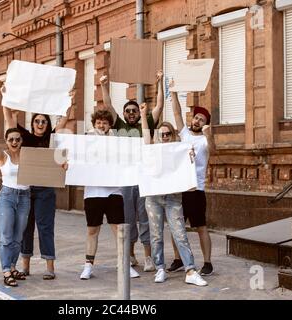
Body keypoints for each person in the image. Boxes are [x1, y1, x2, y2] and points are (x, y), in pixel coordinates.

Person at [2, 85, 72, 280]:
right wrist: (5, 96)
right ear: (32, 124)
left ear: (47, 124)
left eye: (43, 121)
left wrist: (69, 100)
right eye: (37, 121)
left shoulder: (53, 138)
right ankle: (25, 266)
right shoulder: (25, 138)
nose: (40, 123)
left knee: (45, 227)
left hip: (46, 191)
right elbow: (9, 120)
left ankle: (50, 267)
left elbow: (65, 118)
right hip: (26, 190)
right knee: (25, 228)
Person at [99, 71, 164, 272]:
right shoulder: (119, 126)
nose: (131, 113)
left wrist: (160, 81)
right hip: (125, 181)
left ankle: (148, 258)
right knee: (127, 219)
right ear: (124, 114)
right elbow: (108, 105)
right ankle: (131, 256)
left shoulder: (148, 123)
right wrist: (103, 85)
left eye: (134, 110)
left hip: (143, 180)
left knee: (145, 218)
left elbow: (160, 105)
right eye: (128, 111)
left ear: (139, 111)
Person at [140, 102, 207, 286]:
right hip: (153, 197)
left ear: (172, 135)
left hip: (173, 197)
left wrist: (190, 157)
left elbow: (187, 167)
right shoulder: (153, 147)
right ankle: (160, 268)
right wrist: (144, 114)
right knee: (156, 234)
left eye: (168, 133)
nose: (165, 137)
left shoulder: (180, 148)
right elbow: (146, 135)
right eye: (162, 134)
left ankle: (190, 270)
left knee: (180, 233)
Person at [80, 110, 140, 280]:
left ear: (110, 125)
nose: (101, 125)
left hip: (114, 191)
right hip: (93, 192)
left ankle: (125, 265)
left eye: (105, 122)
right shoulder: (85, 141)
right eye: (98, 122)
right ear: (94, 124)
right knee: (92, 231)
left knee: (119, 230)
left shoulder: (118, 142)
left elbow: (130, 159)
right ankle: (88, 266)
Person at [167, 88, 216, 276]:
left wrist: (209, 134)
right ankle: (178, 259)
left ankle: (208, 263)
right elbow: (177, 112)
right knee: (175, 226)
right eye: (196, 118)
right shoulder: (185, 134)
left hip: (196, 190)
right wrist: (172, 93)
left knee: (200, 227)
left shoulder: (205, 140)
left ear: (206, 124)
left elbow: (215, 150)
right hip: (180, 188)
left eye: (201, 120)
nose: (197, 121)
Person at [0, 126, 31, 287]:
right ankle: (6, 270)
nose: (14, 142)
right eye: (11, 139)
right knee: (6, 236)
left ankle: (12, 267)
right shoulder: (3, 156)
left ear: (21, 141)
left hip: (25, 197)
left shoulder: (28, 157)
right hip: (7, 197)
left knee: (18, 236)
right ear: (6, 141)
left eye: (17, 139)